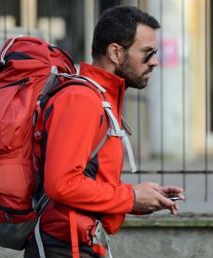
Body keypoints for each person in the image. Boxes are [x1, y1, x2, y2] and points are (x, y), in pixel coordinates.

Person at [24, 5, 185, 258]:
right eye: (147, 52)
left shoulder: (100, 98)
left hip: (80, 245)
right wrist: (131, 197)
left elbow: (87, 181)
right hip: (64, 249)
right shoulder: (81, 99)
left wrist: (142, 198)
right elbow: (61, 184)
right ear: (115, 52)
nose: (154, 61)